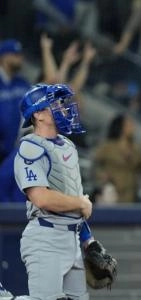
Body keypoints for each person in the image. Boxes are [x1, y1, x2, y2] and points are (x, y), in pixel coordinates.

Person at [13, 83, 93, 299]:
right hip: (45, 238)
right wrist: (81, 203)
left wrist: (88, 240)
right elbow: (41, 197)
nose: (63, 107)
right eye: (55, 103)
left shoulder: (67, 146)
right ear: (38, 114)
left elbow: (71, 195)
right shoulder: (30, 148)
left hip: (72, 238)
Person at [0, 39, 31, 165]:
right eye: (15, 55)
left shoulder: (22, 83)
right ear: (4, 56)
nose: (20, 58)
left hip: (14, 151)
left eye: (21, 55)